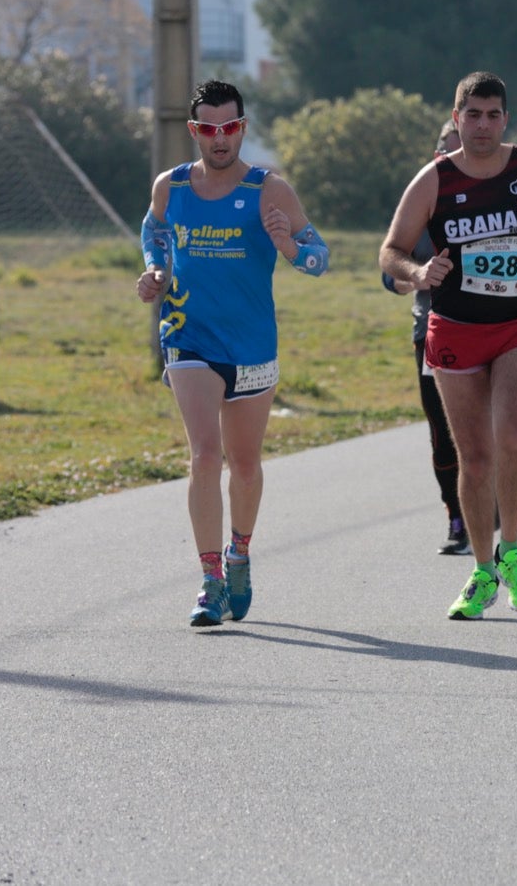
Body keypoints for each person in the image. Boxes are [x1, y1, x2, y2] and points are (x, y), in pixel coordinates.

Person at [380, 71, 517, 620]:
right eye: (472, 114)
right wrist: (418, 272)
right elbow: (391, 251)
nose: (483, 125)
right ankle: (481, 570)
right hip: (455, 326)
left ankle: (511, 551)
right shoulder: (435, 179)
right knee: (474, 458)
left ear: (505, 120)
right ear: (457, 119)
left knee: (513, 437)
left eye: (493, 115)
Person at [136, 79, 330, 627]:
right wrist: (155, 270)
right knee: (204, 454)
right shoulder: (171, 186)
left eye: (229, 128)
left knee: (243, 465)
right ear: (194, 130)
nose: (219, 139)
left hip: (251, 343)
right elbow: (154, 231)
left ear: (242, 128)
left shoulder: (270, 190)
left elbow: (320, 258)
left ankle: (239, 554)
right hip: (189, 335)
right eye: (208, 129)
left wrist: (289, 247)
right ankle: (210, 581)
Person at [382, 120, 470, 555]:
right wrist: (416, 277)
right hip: (432, 331)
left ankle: (487, 499)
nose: (455, 160)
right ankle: (456, 516)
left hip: (495, 328)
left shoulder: (501, 195)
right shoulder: (423, 196)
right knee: (442, 431)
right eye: (447, 152)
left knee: (487, 430)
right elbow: (390, 269)